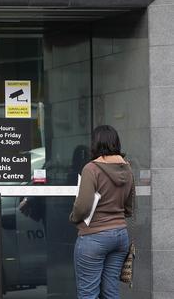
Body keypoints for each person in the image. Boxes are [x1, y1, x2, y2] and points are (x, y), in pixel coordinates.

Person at [70, 125, 135, 299]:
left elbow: (82, 206)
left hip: (94, 238)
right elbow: (129, 207)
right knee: (111, 292)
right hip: (120, 236)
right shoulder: (127, 169)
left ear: (95, 143)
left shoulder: (91, 169)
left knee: (88, 293)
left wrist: (74, 218)